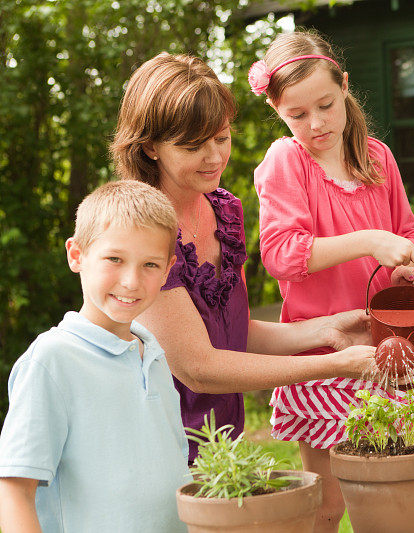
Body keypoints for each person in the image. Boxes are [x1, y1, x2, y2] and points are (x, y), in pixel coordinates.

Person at [110, 52, 381, 464]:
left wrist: (325, 332)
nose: (215, 157)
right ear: (149, 146)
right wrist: (334, 366)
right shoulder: (141, 231)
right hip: (158, 442)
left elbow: (230, 332)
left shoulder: (223, 209)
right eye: (193, 146)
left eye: (221, 138)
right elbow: (199, 367)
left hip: (218, 438)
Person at [250, 30, 414, 531]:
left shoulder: (378, 157)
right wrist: (369, 239)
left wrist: (408, 265)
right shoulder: (287, 162)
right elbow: (282, 255)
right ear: (278, 113)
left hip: (389, 345)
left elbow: (410, 234)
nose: (316, 123)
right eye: (297, 115)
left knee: (394, 493)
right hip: (324, 353)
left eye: (326, 105)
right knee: (329, 505)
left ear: (345, 86)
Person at [0, 180, 190, 532]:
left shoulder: (154, 355)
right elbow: (13, 491)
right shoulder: (52, 360)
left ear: (167, 270)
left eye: (150, 264)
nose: (131, 281)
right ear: (76, 255)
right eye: (114, 259)